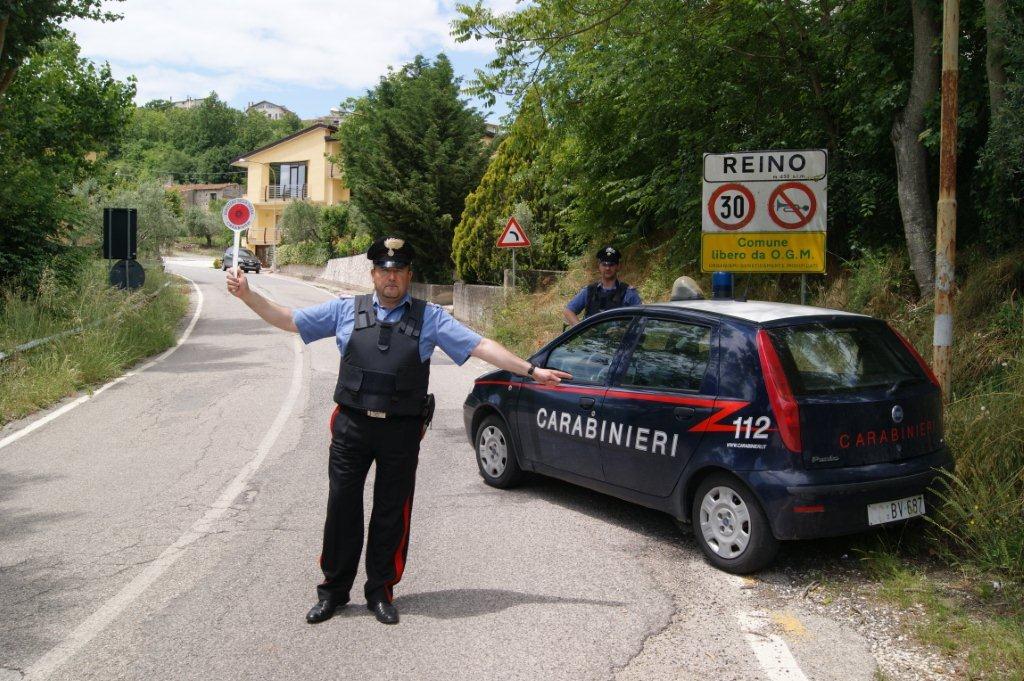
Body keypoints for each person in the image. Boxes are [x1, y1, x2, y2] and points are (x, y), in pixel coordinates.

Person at [225, 236, 570, 626]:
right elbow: (289, 319)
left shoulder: (430, 318)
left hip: (401, 432)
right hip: (352, 428)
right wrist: (247, 295)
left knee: (392, 512)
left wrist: (531, 370)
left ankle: (380, 592)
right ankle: (334, 592)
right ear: (373, 274)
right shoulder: (345, 309)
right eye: (384, 270)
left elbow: (480, 345)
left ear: (409, 275)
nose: (391, 277)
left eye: (399, 270)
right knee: (341, 509)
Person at [563, 246, 642, 327]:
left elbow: (641, 319)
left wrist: (624, 329)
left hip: (618, 335)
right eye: (604, 264)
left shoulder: (628, 293)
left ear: (618, 266)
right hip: (591, 335)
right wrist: (582, 329)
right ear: (599, 266)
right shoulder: (589, 290)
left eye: (611, 265)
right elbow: (568, 311)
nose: (607, 268)